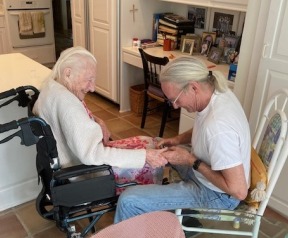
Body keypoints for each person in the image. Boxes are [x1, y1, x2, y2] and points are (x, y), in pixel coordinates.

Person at [114, 56, 251, 223]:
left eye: (175, 99)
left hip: (217, 195)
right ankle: (148, 213)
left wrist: (190, 160)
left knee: (129, 201)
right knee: (155, 145)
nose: (175, 106)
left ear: (193, 87)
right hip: (205, 176)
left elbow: (239, 191)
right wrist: (177, 139)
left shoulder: (219, 127)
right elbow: (204, 130)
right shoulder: (216, 92)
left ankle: (141, 210)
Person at [32, 46, 168, 170]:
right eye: (89, 79)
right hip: (88, 173)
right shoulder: (68, 103)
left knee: (148, 142)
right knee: (151, 159)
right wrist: (144, 156)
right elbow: (91, 154)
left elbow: (76, 119)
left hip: (76, 159)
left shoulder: (52, 87)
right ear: (68, 73)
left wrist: (98, 121)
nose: (92, 88)